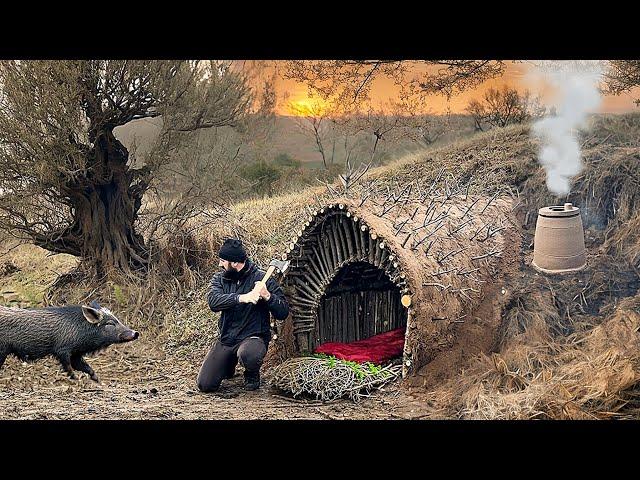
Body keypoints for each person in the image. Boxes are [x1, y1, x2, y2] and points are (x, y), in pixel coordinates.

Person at [197, 238, 289, 392]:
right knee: (205, 384)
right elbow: (213, 302)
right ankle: (228, 365)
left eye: (223, 260)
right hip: (227, 339)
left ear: (234, 263)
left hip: (253, 338)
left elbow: (283, 312)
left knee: (249, 354)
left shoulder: (262, 279)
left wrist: (267, 296)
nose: (220, 264)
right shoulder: (221, 279)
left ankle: (251, 373)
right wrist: (242, 297)